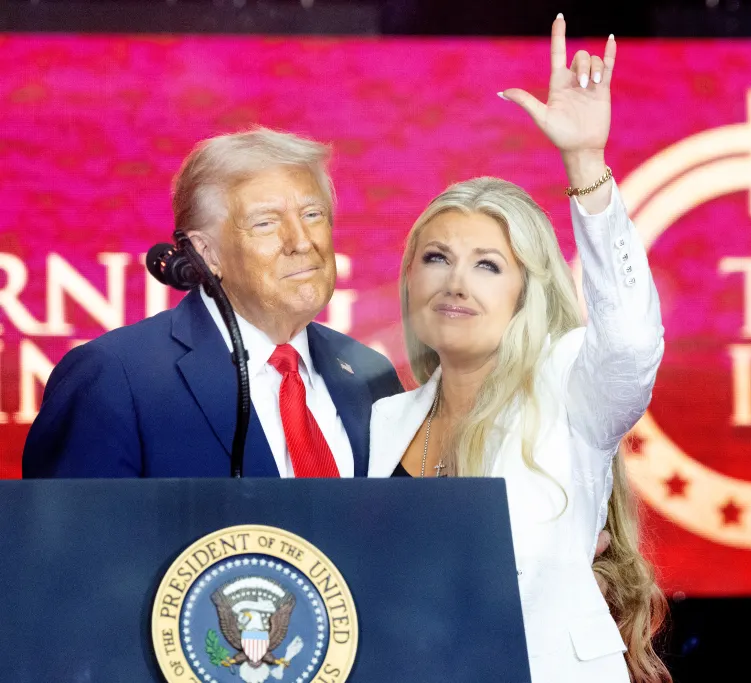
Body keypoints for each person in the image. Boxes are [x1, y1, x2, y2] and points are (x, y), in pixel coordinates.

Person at [367, 16, 669, 683]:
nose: (455, 281)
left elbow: (630, 339)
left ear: (527, 289)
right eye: (437, 257)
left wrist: (585, 166)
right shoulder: (381, 420)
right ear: (410, 278)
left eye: (487, 265)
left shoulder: (568, 388)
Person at [22, 128, 403, 478]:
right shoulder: (113, 380)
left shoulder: (370, 375)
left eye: (312, 214)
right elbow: (73, 546)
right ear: (206, 253)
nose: (302, 241)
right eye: (265, 223)